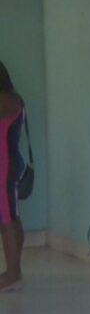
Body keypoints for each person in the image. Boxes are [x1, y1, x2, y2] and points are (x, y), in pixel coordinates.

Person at [0, 61, 26, 293]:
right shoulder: (13, 98)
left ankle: (12, 273)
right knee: (12, 217)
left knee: (7, 220)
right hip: (8, 164)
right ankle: (15, 270)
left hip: (4, 168)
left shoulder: (5, 100)